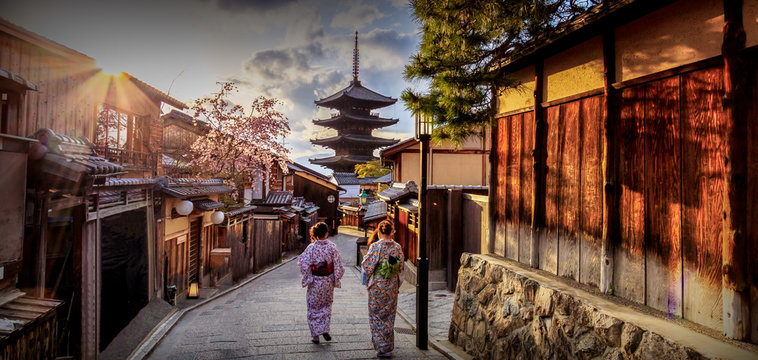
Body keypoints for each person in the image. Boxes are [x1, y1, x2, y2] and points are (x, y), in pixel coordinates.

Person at [361, 220, 404, 358]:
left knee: (376, 315)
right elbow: (401, 266)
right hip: (391, 285)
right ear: (392, 232)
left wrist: (369, 277)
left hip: (378, 285)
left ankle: (380, 347)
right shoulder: (397, 247)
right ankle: (388, 346)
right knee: (389, 315)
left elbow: (367, 266)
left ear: (379, 231)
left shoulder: (375, 247)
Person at [298, 222, 344, 344]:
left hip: (315, 282)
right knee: (326, 306)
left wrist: (308, 275)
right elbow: (338, 265)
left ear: (315, 234)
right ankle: (324, 329)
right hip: (327, 281)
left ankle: (315, 335)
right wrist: (336, 276)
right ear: (326, 233)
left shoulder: (311, 248)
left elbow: (303, 263)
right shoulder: (332, 247)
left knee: (313, 307)